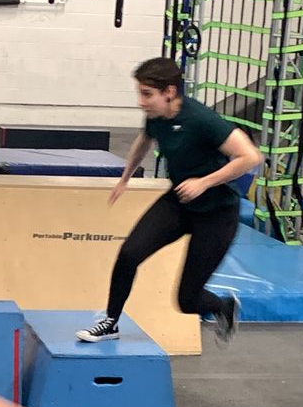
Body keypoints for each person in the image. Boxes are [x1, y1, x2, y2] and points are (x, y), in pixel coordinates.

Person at [77, 57, 262, 347]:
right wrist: (125, 177)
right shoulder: (156, 115)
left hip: (216, 214)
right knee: (129, 254)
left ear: (170, 92)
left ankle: (223, 306)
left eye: (147, 94)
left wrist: (204, 182)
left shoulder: (202, 120)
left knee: (187, 300)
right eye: (140, 93)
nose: (141, 101)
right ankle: (110, 322)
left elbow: (251, 157)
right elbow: (144, 140)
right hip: (179, 202)